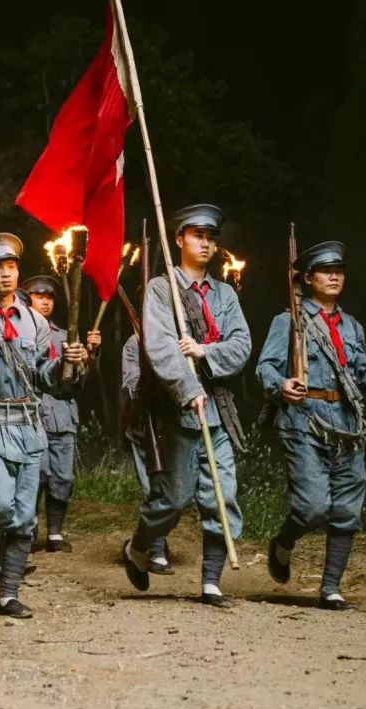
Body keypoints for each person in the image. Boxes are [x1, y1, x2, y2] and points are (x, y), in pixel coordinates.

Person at [255, 241, 366, 610]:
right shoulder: (290, 321)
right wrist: (282, 385)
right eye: (325, 270)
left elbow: (361, 381)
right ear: (308, 278)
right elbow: (265, 367)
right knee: (313, 507)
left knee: (347, 509)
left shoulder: (353, 328)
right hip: (304, 420)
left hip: (348, 425)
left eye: (340, 270)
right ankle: (283, 542)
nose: (334, 276)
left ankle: (330, 588)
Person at [0, 233, 88, 618]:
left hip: (27, 426)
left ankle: (8, 593)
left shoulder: (34, 322)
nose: (6, 275)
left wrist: (67, 363)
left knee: (24, 516)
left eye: (11, 267)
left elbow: (44, 375)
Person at [121, 204, 251, 608]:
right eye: (197, 235)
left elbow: (241, 344)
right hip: (178, 409)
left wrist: (205, 351)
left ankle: (211, 582)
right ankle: (139, 546)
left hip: (218, 410)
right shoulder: (161, 289)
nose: (206, 243)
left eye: (211, 237)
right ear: (179, 239)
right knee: (172, 500)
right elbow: (158, 346)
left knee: (222, 496)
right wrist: (187, 384)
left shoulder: (225, 293)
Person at [20, 275, 100, 553]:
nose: (44, 301)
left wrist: (89, 357)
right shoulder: (20, 334)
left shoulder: (67, 336)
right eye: (38, 295)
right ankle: (28, 531)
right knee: (36, 475)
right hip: (33, 413)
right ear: (26, 297)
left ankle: (55, 533)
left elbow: (82, 384)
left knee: (63, 477)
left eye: (49, 297)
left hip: (63, 413)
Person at [120, 333, 172, 573]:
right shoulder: (135, 342)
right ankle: (156, 551)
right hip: (145, 427)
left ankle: (147, 539)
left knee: (177, 494)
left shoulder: (177, 335)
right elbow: (131, 384)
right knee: (153, 488)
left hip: (175, 426)